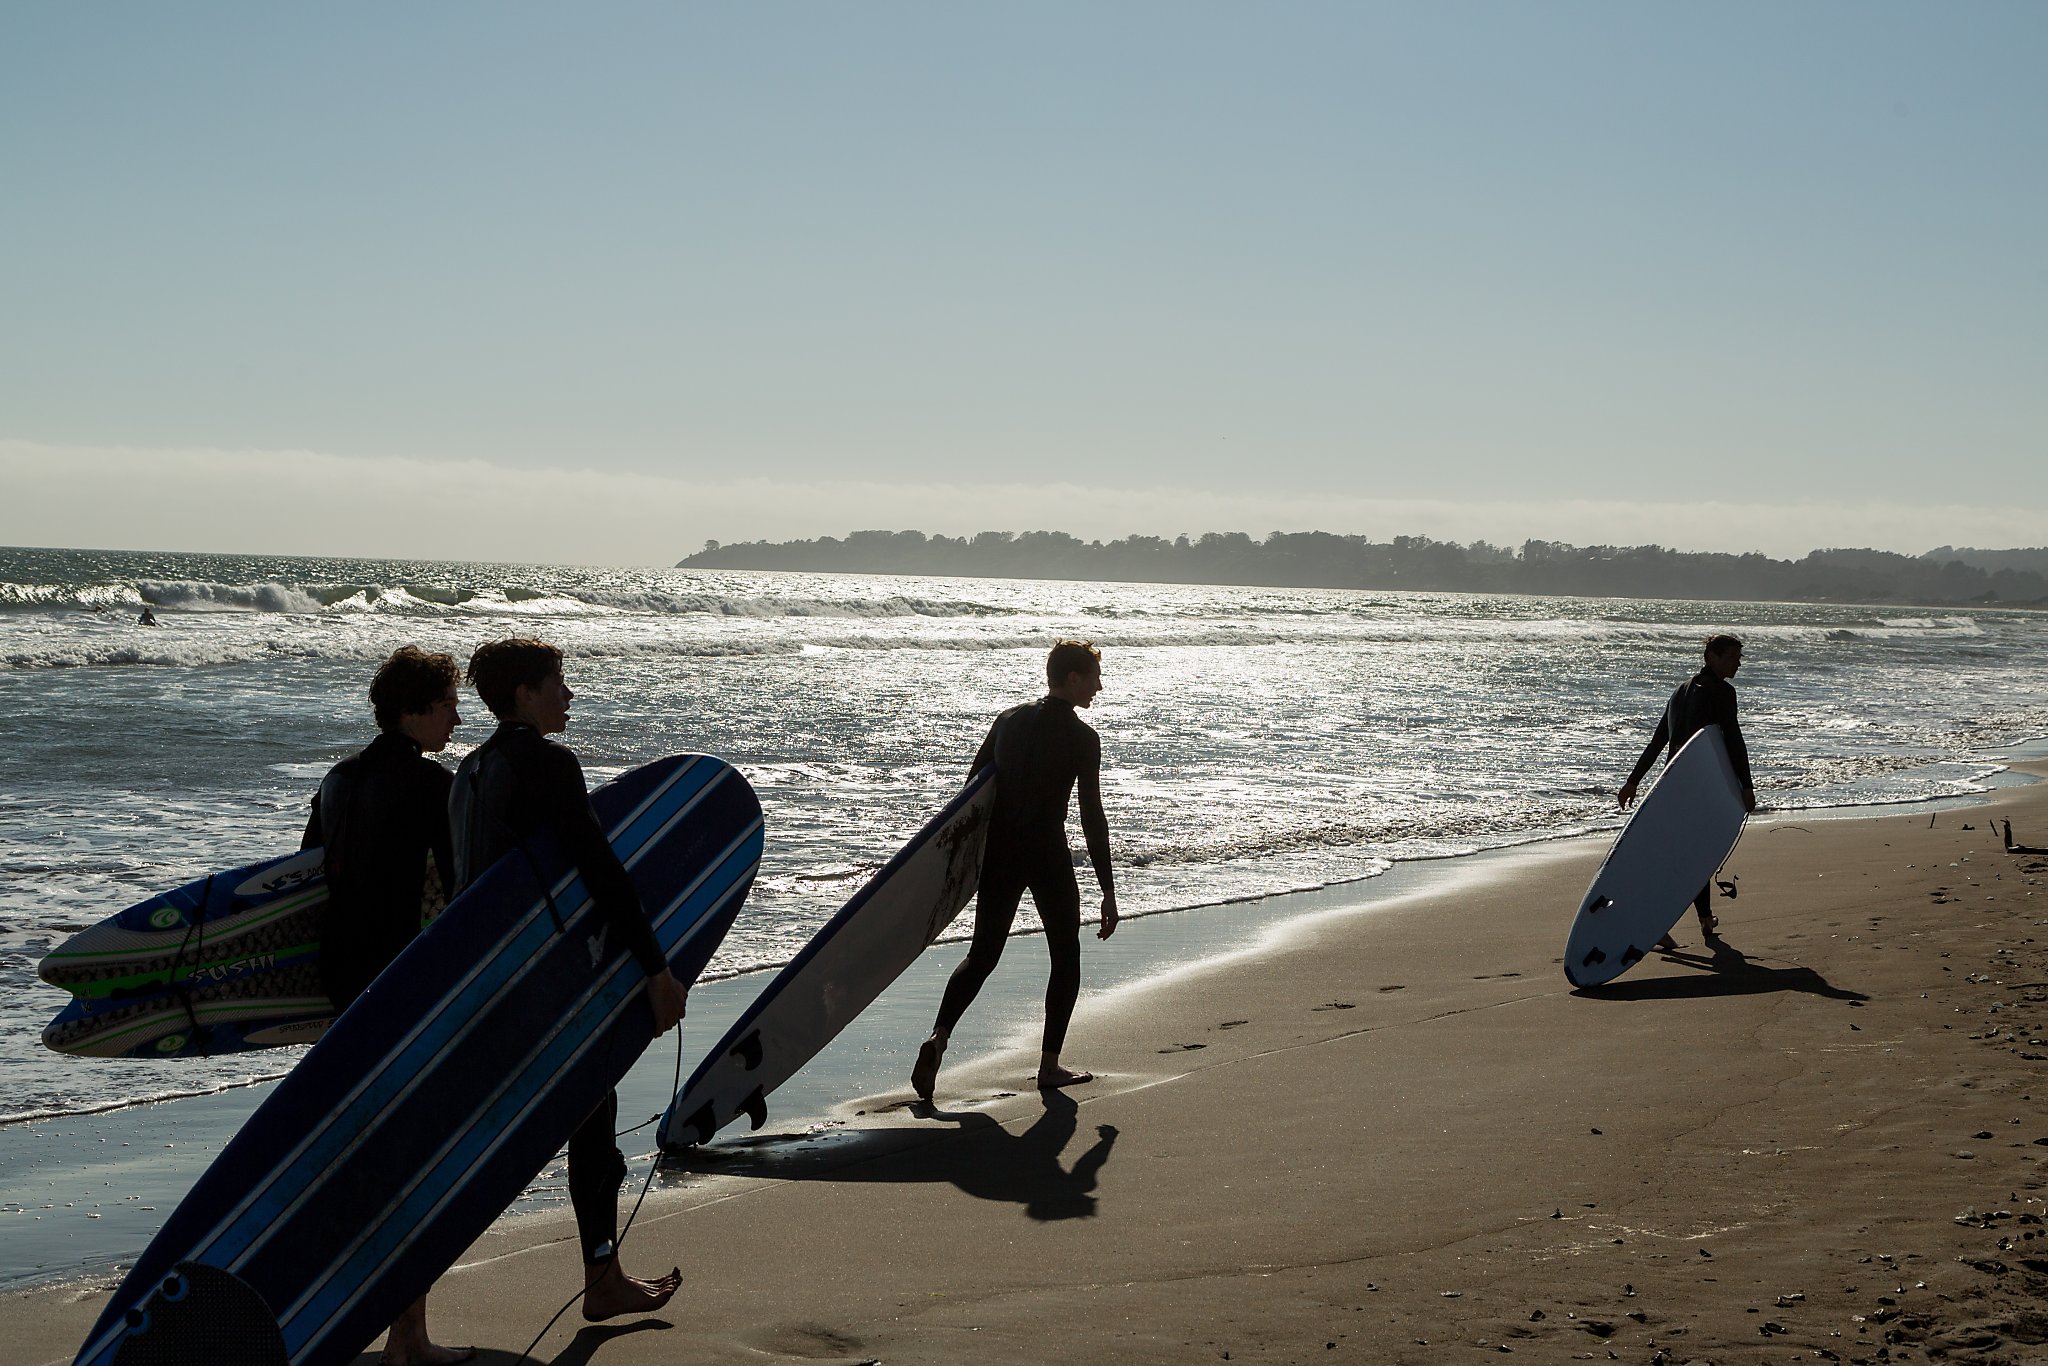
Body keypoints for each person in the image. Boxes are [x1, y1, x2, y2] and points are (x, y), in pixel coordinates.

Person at [449, 638, 688, 1322]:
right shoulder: (549, 764)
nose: (569, 695)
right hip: (537, 986)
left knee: (580, 1117)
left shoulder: (469, 770)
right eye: (558, 682)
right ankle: (602, 1278)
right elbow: (602, 873)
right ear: (524, 693)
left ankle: (599, 1275)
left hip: (478, 988)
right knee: (592, 1114)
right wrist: (656, 971)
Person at [301, 645, 472, 1366]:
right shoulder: (432, 783)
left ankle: (336, 1315)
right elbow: (469, 887)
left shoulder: (338, 780)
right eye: (444, 706)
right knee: (412, 1160)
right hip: (404, 984)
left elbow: (305, 881)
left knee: (364, 1157)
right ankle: (408, 1338)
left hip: (344, 988)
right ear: (410, 711)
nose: (455, 718)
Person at [912, 639, 1119, 1100]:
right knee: (1065, 956)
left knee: (982, 956)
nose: (1099, 688)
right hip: (1045, 852)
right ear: (1072, 679)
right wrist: (1107, 889)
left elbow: (971, 792)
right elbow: (1091, 816)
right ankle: (1049, 1067)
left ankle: (939, 1035)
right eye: (1093, 678)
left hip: (1001, 852)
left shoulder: (1008, 720)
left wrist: (958, 865)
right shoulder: (1083, 739)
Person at [1617, 633, 1757, 949]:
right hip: (1696, 789)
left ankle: (1704, 920)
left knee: (1690, 856)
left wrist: (1633, 782)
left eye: (1739, 657)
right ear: (1712, 656)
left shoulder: (1679, 693)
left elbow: (1658, 743)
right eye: (1732, 657)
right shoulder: (1722, 692)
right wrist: (1746, 787)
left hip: (1669, 788)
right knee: (1692, 859)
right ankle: (1656, 923)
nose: (1737, 664)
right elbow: (1734, 740)